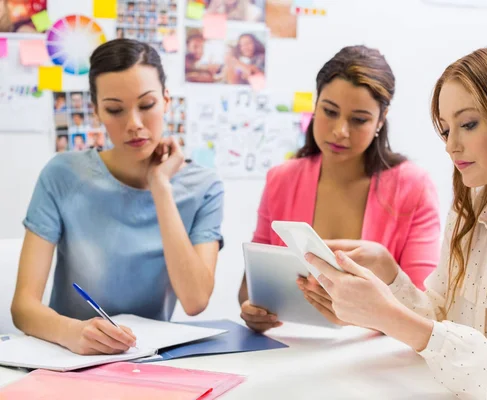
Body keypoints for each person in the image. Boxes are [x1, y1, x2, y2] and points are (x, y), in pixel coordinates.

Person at [304, 43, 487, 399]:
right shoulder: (469, 211)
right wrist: (388, 274)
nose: (451, 145)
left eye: (468, 124)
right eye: (445, 130)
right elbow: (441, 318)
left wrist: (387, 316)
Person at [11, 39, 225, 356]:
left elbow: (195, 301)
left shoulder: (204, 187)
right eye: (115, 110)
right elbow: (22, 307)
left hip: (149, 359)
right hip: (68, 355)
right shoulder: (62, 174)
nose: (134, 124)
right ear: (96, 111)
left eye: (147, 105)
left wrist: (161, 187)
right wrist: (72, 332)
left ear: (167, 100)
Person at [238, 45, 441, 332]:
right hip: (292, 351)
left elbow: (427, 313)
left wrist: (386, 271)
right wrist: (254, 312)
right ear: (316, 104)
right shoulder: (281, 179)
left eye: (358, 120)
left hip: (376, 360)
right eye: (329, 111)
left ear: (381, 120)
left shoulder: (413, 187)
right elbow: (249, 290)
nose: (339, 131)